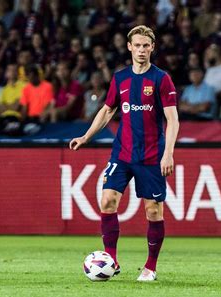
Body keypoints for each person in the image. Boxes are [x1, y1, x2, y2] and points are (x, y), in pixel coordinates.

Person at [69, 25, 179, 281]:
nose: (141, 50)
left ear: (153, 47)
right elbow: (107, 111)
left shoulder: (161, 79)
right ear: (129, 47)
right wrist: (86, 136)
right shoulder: (120, 78)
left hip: (152, 155)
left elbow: (172, 120)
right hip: (122, 153)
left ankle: (150, 267)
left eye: (146, 45)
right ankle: (111, 260)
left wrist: (169, 153)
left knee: (153, 210)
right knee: (107, 201)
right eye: (137, 45)